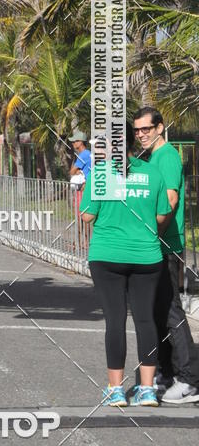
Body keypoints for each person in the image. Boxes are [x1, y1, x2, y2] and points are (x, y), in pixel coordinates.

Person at [81, 122, 171, 407]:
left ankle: (116, 389)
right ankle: (147, 390)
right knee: (145, 320)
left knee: (115, 321)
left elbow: (86, 215)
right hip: (147, 256)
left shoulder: (100, 174)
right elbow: (161, 216)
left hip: (107, 256)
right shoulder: (153, 173)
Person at [133, 106, 199, 404]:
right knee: (157, 311)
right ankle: (169, 372)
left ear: (160, 128)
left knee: (171, 311)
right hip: (152, 246)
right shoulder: (148, 158)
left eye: (146, 129)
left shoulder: (168, 156)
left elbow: (170, 201)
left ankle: (188, 380)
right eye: (137, 131)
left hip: (166, 244)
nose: (141, 135)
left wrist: (149, 231)